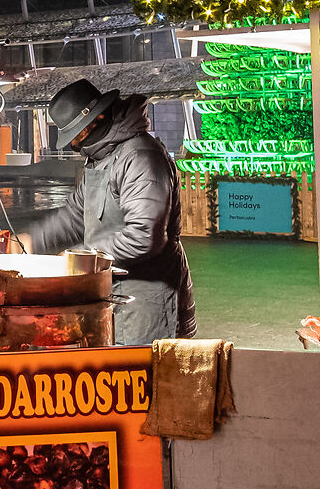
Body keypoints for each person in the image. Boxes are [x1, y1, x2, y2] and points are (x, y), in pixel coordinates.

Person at [16, 81, 194, 343]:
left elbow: (143, 236)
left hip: (148, 300)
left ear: (98, 117)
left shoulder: (140, 156)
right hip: (111, 291)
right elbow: (75, 215)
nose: (75, 143)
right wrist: (32, 241)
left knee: (146, 378)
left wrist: (81, 257)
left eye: (77, 134)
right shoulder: (101, 157)